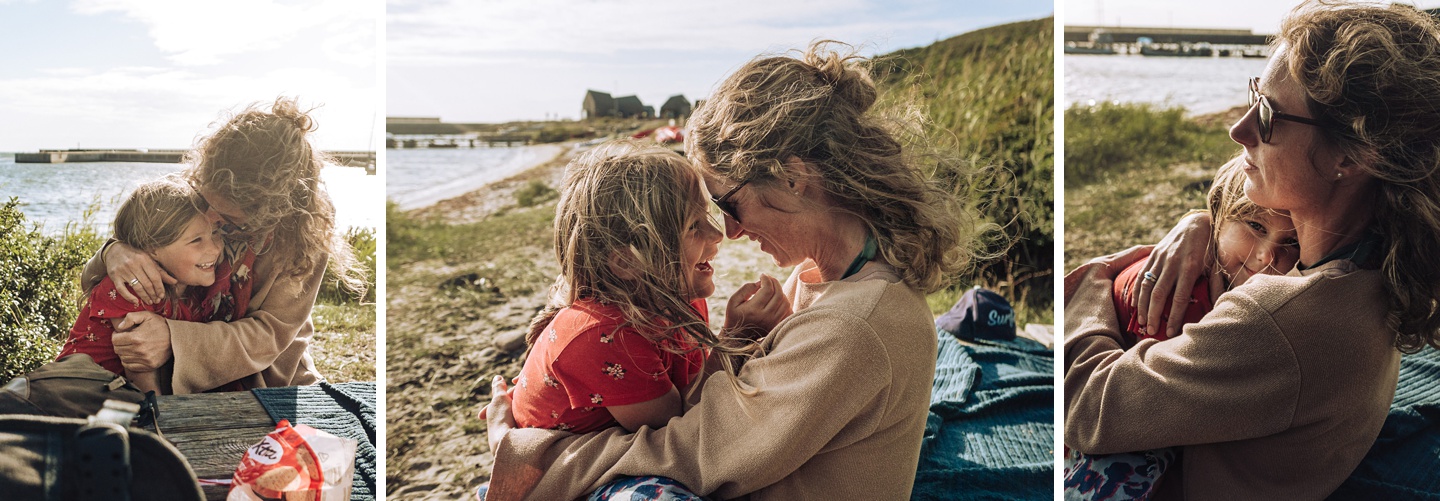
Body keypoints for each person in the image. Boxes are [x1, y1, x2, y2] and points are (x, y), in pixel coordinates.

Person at [480, 40, 978, 501]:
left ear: (793, 178)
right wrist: (743, 340)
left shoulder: (853, 326)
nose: (730, 233)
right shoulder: (835, 275)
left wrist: (520, 452)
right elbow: (734, 413)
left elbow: (691, 453)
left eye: (727, 204)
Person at [1065, 2, 1440, 498]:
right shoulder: (1383, 260)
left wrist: (1090, 283)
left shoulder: (1281, 320)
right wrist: (1199, 222)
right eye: (1252, 97)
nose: (1237, 130)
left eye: (1266, 115)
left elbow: (1088, 411)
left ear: (1351, 155)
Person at [82, 97, 365, 395]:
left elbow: (271, 334)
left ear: (273, 210)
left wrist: (174, 340)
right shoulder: (199, 188)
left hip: (268, 374)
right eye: (205, 201)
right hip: (170, 370)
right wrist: (114, 251)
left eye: (228, 219)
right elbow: (108, 269)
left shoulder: (305, 229)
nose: (209, 218)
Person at [508, 140, 789, 435]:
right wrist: (734, 338)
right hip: (561, 467)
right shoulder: (604, 334)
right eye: (693, 225)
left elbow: (691, 387)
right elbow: (678, 428)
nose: (717, 234)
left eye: (706, 216)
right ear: (628, 263)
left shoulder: (678, 296)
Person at [60, 176, 224, 393]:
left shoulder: (192, 288)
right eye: (196, 240)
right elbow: (140, 369)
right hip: (79, 392)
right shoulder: (132, 289)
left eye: (214, 234)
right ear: (153, 247)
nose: (214, 249)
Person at [1111, 156, 1299, 342]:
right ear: (1218, 213)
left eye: (1292, 243)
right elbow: (1141, 369)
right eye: (1256, 226)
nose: (1266, 256)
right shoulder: (1177, 294)